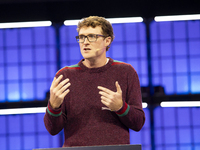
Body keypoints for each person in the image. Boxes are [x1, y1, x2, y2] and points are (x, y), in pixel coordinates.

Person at [44, 16, 145, 147]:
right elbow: (52, 130)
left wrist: (120, 107)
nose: (85, 42)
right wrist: (54, 106)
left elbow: (138, 123)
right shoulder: (65, 75)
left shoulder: (126, 72)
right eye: (81, 37)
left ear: (107, 41)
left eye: (92, 37)